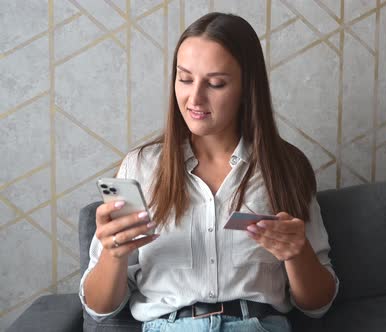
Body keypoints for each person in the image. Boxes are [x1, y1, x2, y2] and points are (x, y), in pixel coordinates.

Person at [79, 12, 339, 332]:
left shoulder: (286, 168)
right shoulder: (140, 167)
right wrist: (112, 254)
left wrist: (296, 253)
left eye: (216, 83)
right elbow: (99, 309)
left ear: (247, 87)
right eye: (185, 79)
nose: (195, 98)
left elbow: (318, 305)